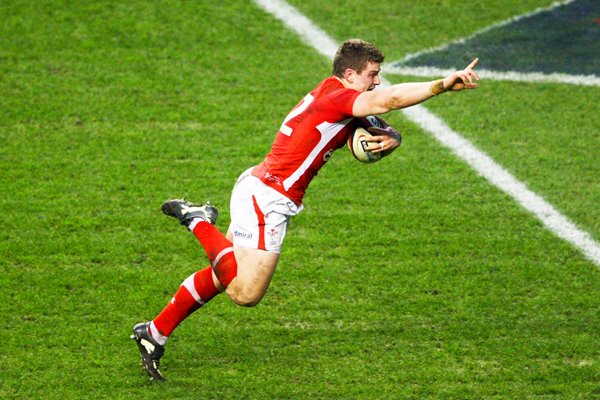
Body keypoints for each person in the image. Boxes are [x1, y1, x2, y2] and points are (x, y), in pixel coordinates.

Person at [131, 38, 479, 381]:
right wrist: (441, 85)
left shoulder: (337, 95)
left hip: (261, 189)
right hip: (267, 199)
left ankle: (154, 333)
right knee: (245, 292)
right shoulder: (339, 98)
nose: (377, 81)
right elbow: (388, 100)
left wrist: (394, 137)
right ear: (350, 74)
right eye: (372, 74)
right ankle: (198, 220)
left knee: (227, 275)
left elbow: (377, 123)